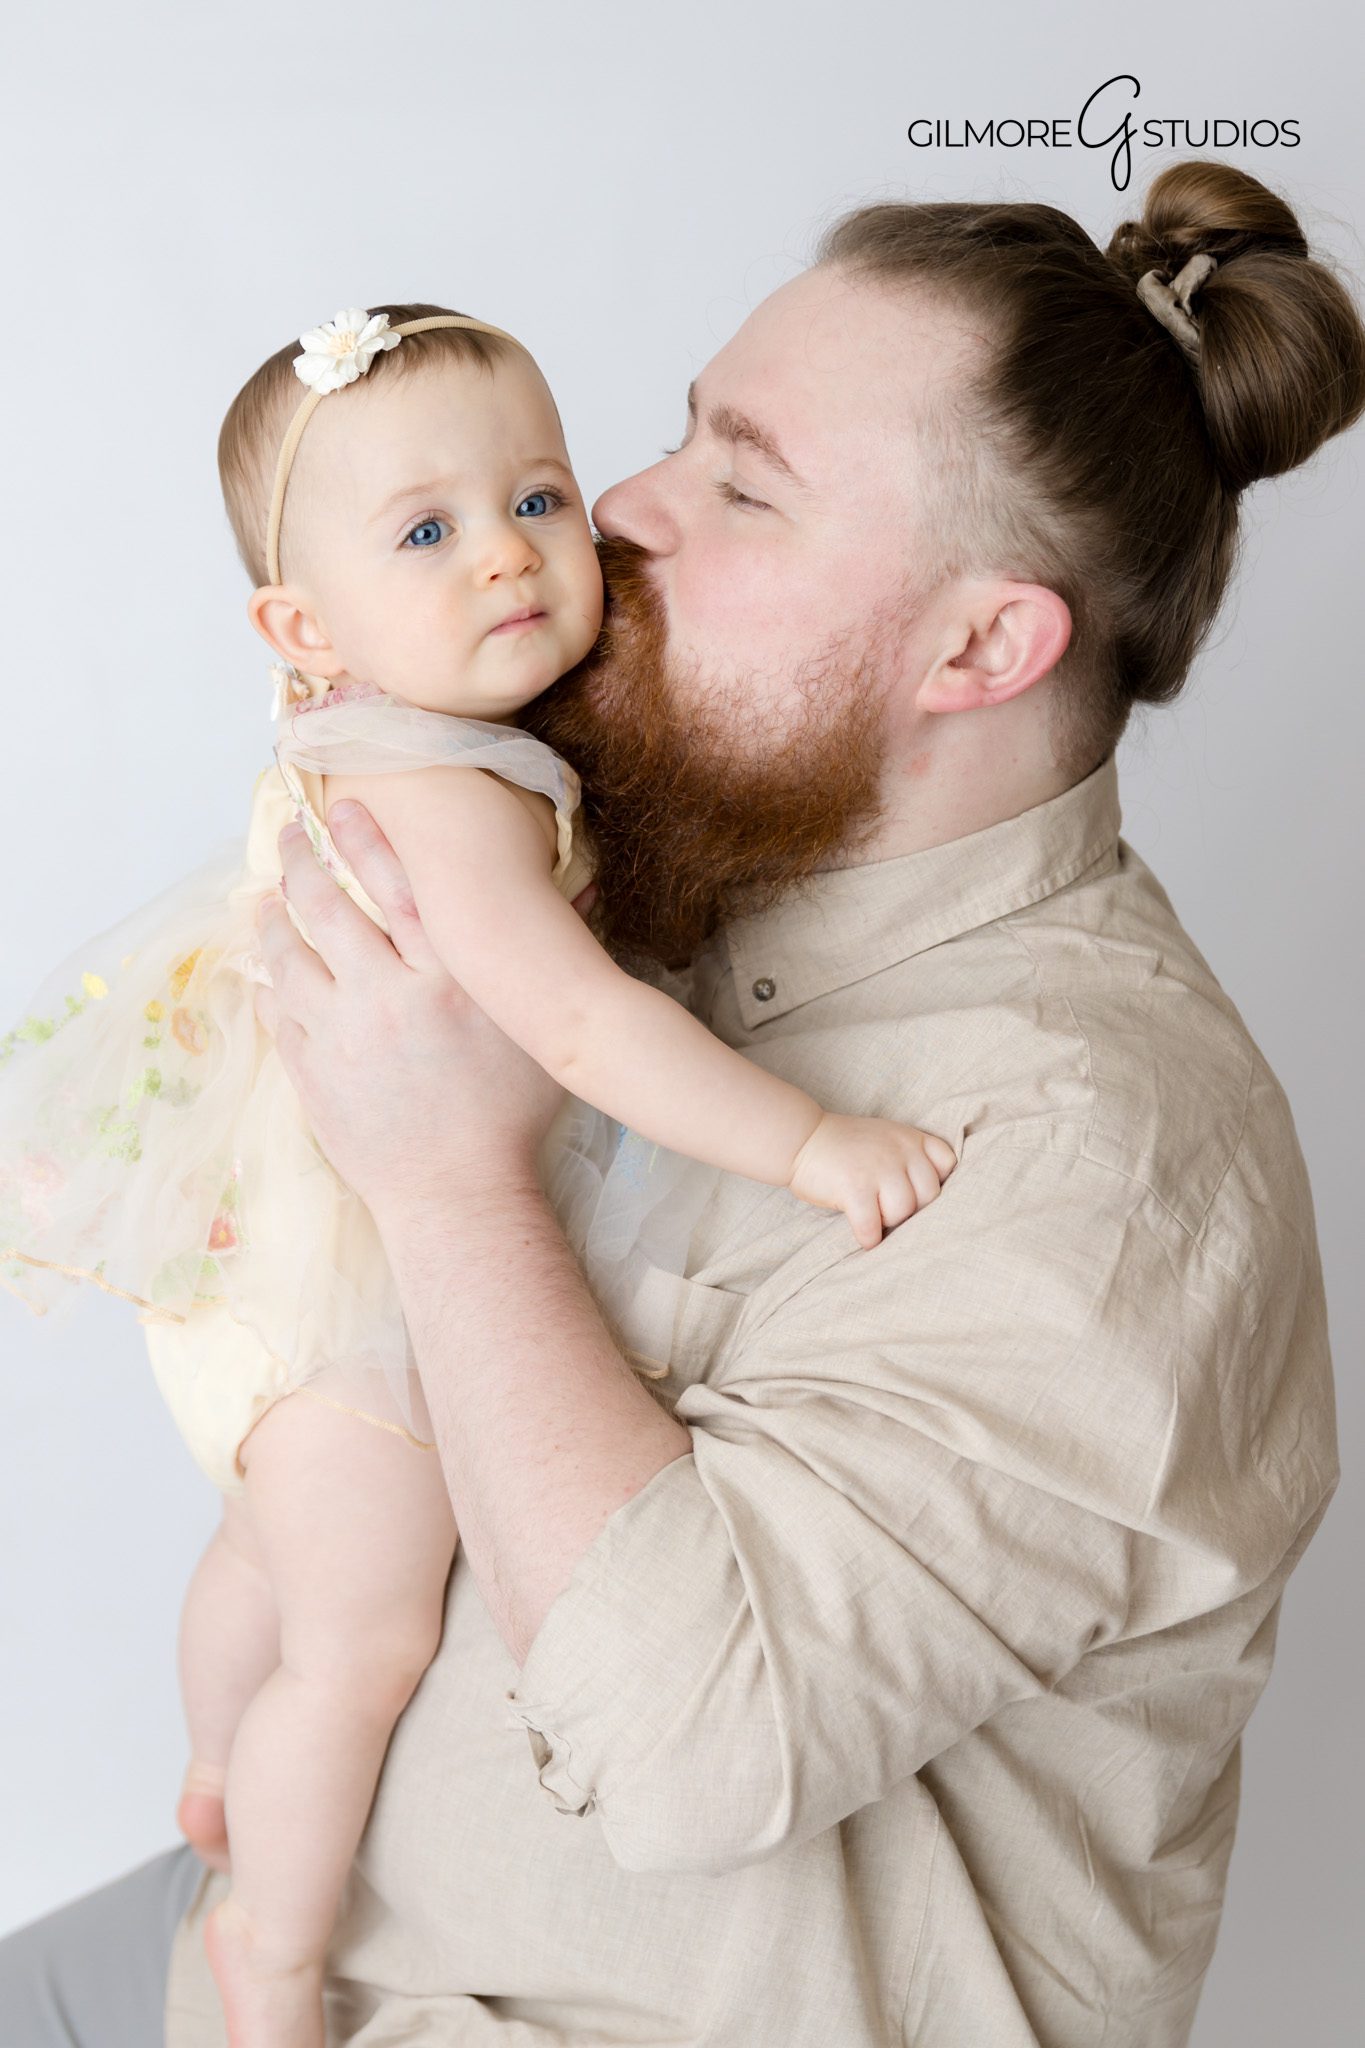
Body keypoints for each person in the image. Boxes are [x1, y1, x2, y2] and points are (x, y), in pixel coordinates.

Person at [1, 156, 1358, 2047]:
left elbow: (694, 1749)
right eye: (674, 437)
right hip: (271, 1920)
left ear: (981, 646)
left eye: (740, 484)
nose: (619, 516)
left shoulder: (1096, 1163)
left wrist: (450, 1182)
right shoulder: (683, 869)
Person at [0, 305, 954, 2046]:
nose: (510, 558)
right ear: (302, 630)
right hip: (339, 1292)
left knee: (261, 1557)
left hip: (269, 1267)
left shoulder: (403, 737)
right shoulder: (445, 790)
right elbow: (579, 1029)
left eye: (540, 496)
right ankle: (270, 1952)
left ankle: (218, 1765)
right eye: (427, 533)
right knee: (359, 1640)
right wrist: (807, 1138)